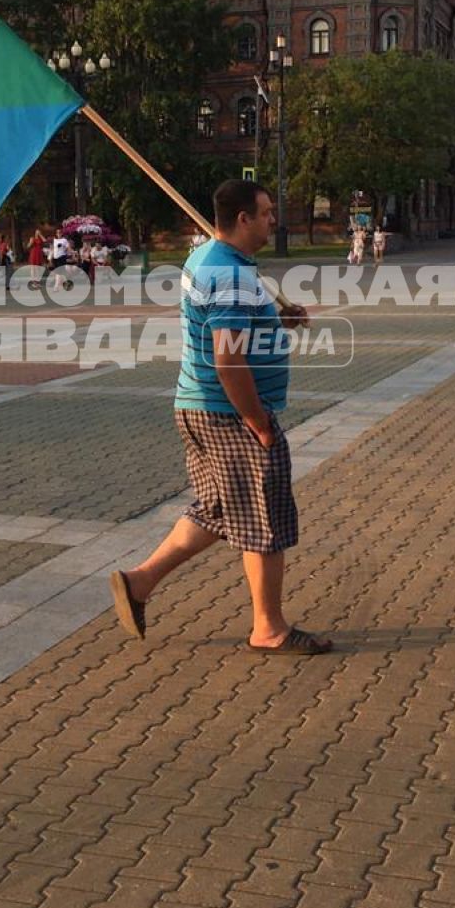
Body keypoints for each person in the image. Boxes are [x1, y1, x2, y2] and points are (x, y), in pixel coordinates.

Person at [109, 179, 330, 655]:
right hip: (229, 413)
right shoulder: (226, 273)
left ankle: (139, 582)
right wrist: (257, 423)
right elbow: (228, 360)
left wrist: (277, 321)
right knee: (264, 517)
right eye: (268, 213)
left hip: (199, 407)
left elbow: (230, 327)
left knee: (218, 509)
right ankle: (268, 628)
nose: (274, 220)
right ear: (244, 218)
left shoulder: (212, 259)